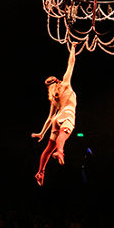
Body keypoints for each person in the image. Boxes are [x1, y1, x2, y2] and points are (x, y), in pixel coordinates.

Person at [32, 44, 77, 186]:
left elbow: (51, 118)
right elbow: (71, 63)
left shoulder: (53, 100)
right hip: (67, 112)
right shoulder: (65, 84)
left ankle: (40, 171)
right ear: (57, 80)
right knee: (65, 132)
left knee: (48, 149)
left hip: (57, 118)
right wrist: (73, 48)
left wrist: (41, 133)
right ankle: (60, 152)